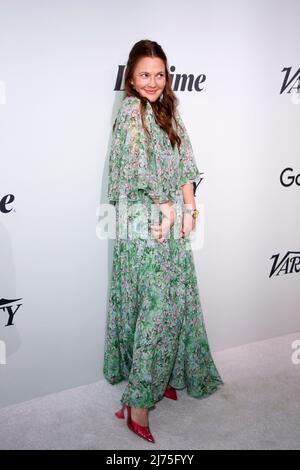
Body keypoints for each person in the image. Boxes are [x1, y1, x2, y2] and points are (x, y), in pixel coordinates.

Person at [103, 39, 224, 444]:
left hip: (169, 218)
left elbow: (185, 160)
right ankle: (138, 401)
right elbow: (138, 167)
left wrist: (188, 208)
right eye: (144, 75)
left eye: (159, 74)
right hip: (143, 222)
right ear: (131, 78)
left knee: (171, 306)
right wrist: (166, 207)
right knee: (155, 312)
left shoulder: (168, 109)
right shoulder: (130, 111)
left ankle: (158, 377)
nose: (152, 82)